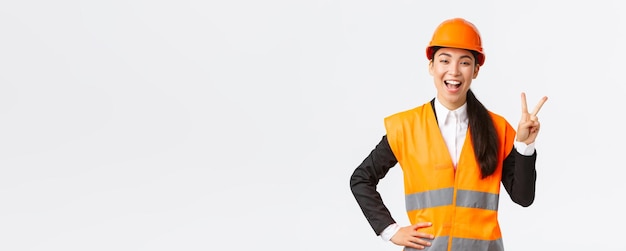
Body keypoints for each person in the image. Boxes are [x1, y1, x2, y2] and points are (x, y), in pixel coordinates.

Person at [349, 17, 548, 251]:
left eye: (464, 62)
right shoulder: (406, 127)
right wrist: (390, 230)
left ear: (475, 70)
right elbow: (361, 179)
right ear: (432, 66)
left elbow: (523, 198)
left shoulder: (497, 128)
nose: (454, 71)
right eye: (445, 60)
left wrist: (524, 146)